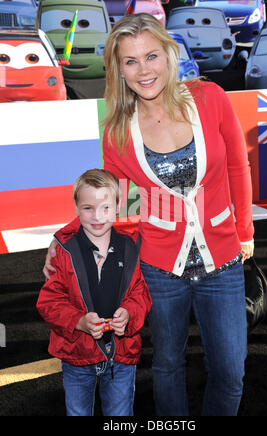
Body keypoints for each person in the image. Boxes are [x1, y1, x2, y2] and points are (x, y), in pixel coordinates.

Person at [43, 13, 254, 416]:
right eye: (131, 61)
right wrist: (64, 239)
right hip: (158, 268)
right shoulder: (117, 129)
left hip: (223, 259)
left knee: (230, 373)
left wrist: (244, 231)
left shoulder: (210, 98)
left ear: (169, 55)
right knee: (168, 365)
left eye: (152, 56)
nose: (144, 70)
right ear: (118, 69)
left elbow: (236, 168)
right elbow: (118, 204)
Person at [37, 168, 152, 416]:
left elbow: (140, 294)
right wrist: (78, 321)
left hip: (122, 356)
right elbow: (49, 301)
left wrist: (129, 315)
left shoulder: (129, 248)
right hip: (76, 355)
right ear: (76, 208)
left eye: (105, 207)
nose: (97, 216)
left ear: (119, 206)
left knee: (120, 415)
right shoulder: (65, 252)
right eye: (88, 208)